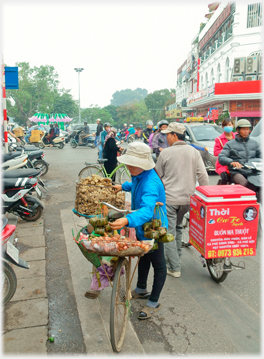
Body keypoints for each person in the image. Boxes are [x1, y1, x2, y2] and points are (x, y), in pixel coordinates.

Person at [109, 142, 168, 320]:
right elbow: (134, 184)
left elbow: (147, 211)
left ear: (142, 164)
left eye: (131, 164)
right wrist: (122, 187)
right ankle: (141, 289)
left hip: (154, 229)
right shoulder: (139, 175)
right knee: (144, 257)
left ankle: (153, 302)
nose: (127, 166)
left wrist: (127, 220)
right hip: (142, 226)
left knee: (158, 264)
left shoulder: (151, 183)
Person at [156, 122, 209, 278]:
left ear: (174, 135)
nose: (166, 137)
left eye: (167, 135)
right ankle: (176, 257)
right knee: (178, 228)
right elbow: (203, 176)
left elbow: (157, 176)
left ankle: (174, 267)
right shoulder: (193, 152)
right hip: (188, 201)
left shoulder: (165, 153)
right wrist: (204, 196)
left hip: (170, 200)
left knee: (169, 233)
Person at [218, 119, 261, 200]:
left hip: (253, 171)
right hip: (237, 172)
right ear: (238, 130)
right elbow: (221, 157)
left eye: (247, 129)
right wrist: (232, 162)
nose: (246, 131)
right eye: (244, 129)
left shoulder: (254, 143)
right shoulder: (230, 144)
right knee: (245, 184)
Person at [214, 118, 236, 184]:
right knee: (225, 178)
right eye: (226, 125)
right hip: (223, 164)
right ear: (222, 127)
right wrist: (226, 151)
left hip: (236, 162)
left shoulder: (237, 137)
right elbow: (215, 152)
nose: (228, 127)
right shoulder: (219, 139)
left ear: (233, 125)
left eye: (229, 125)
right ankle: (219, 193)